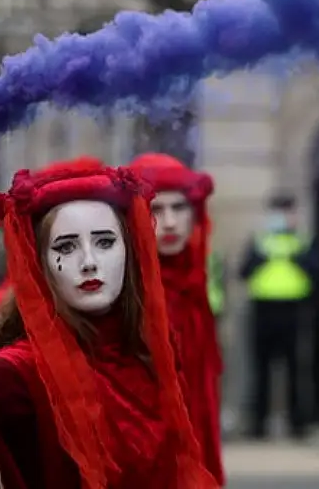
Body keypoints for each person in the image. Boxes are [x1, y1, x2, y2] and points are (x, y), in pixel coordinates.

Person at [0, 157, 216, 489]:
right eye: (66, 246)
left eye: (105, 242)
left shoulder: (149, 350)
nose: (89, 262)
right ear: (42, 264)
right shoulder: (32, 369)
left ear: (130, 250)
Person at [131, 153, 224, 487]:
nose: (169, 222)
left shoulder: (194, 279)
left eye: (179, 208)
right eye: (156, 209)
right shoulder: (125, 291)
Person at [238, 193, 312, 439]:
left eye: (287, 212)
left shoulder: (303, 241)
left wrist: (296, 259)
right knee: (260, 369)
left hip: (293, 308)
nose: (283, 218)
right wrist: (262, 257)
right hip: (263, 308)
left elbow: (317, 272)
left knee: (294, 368)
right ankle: (258, 424)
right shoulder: (259, 240)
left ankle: (297, 423)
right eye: (278, 212)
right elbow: (243, 272)